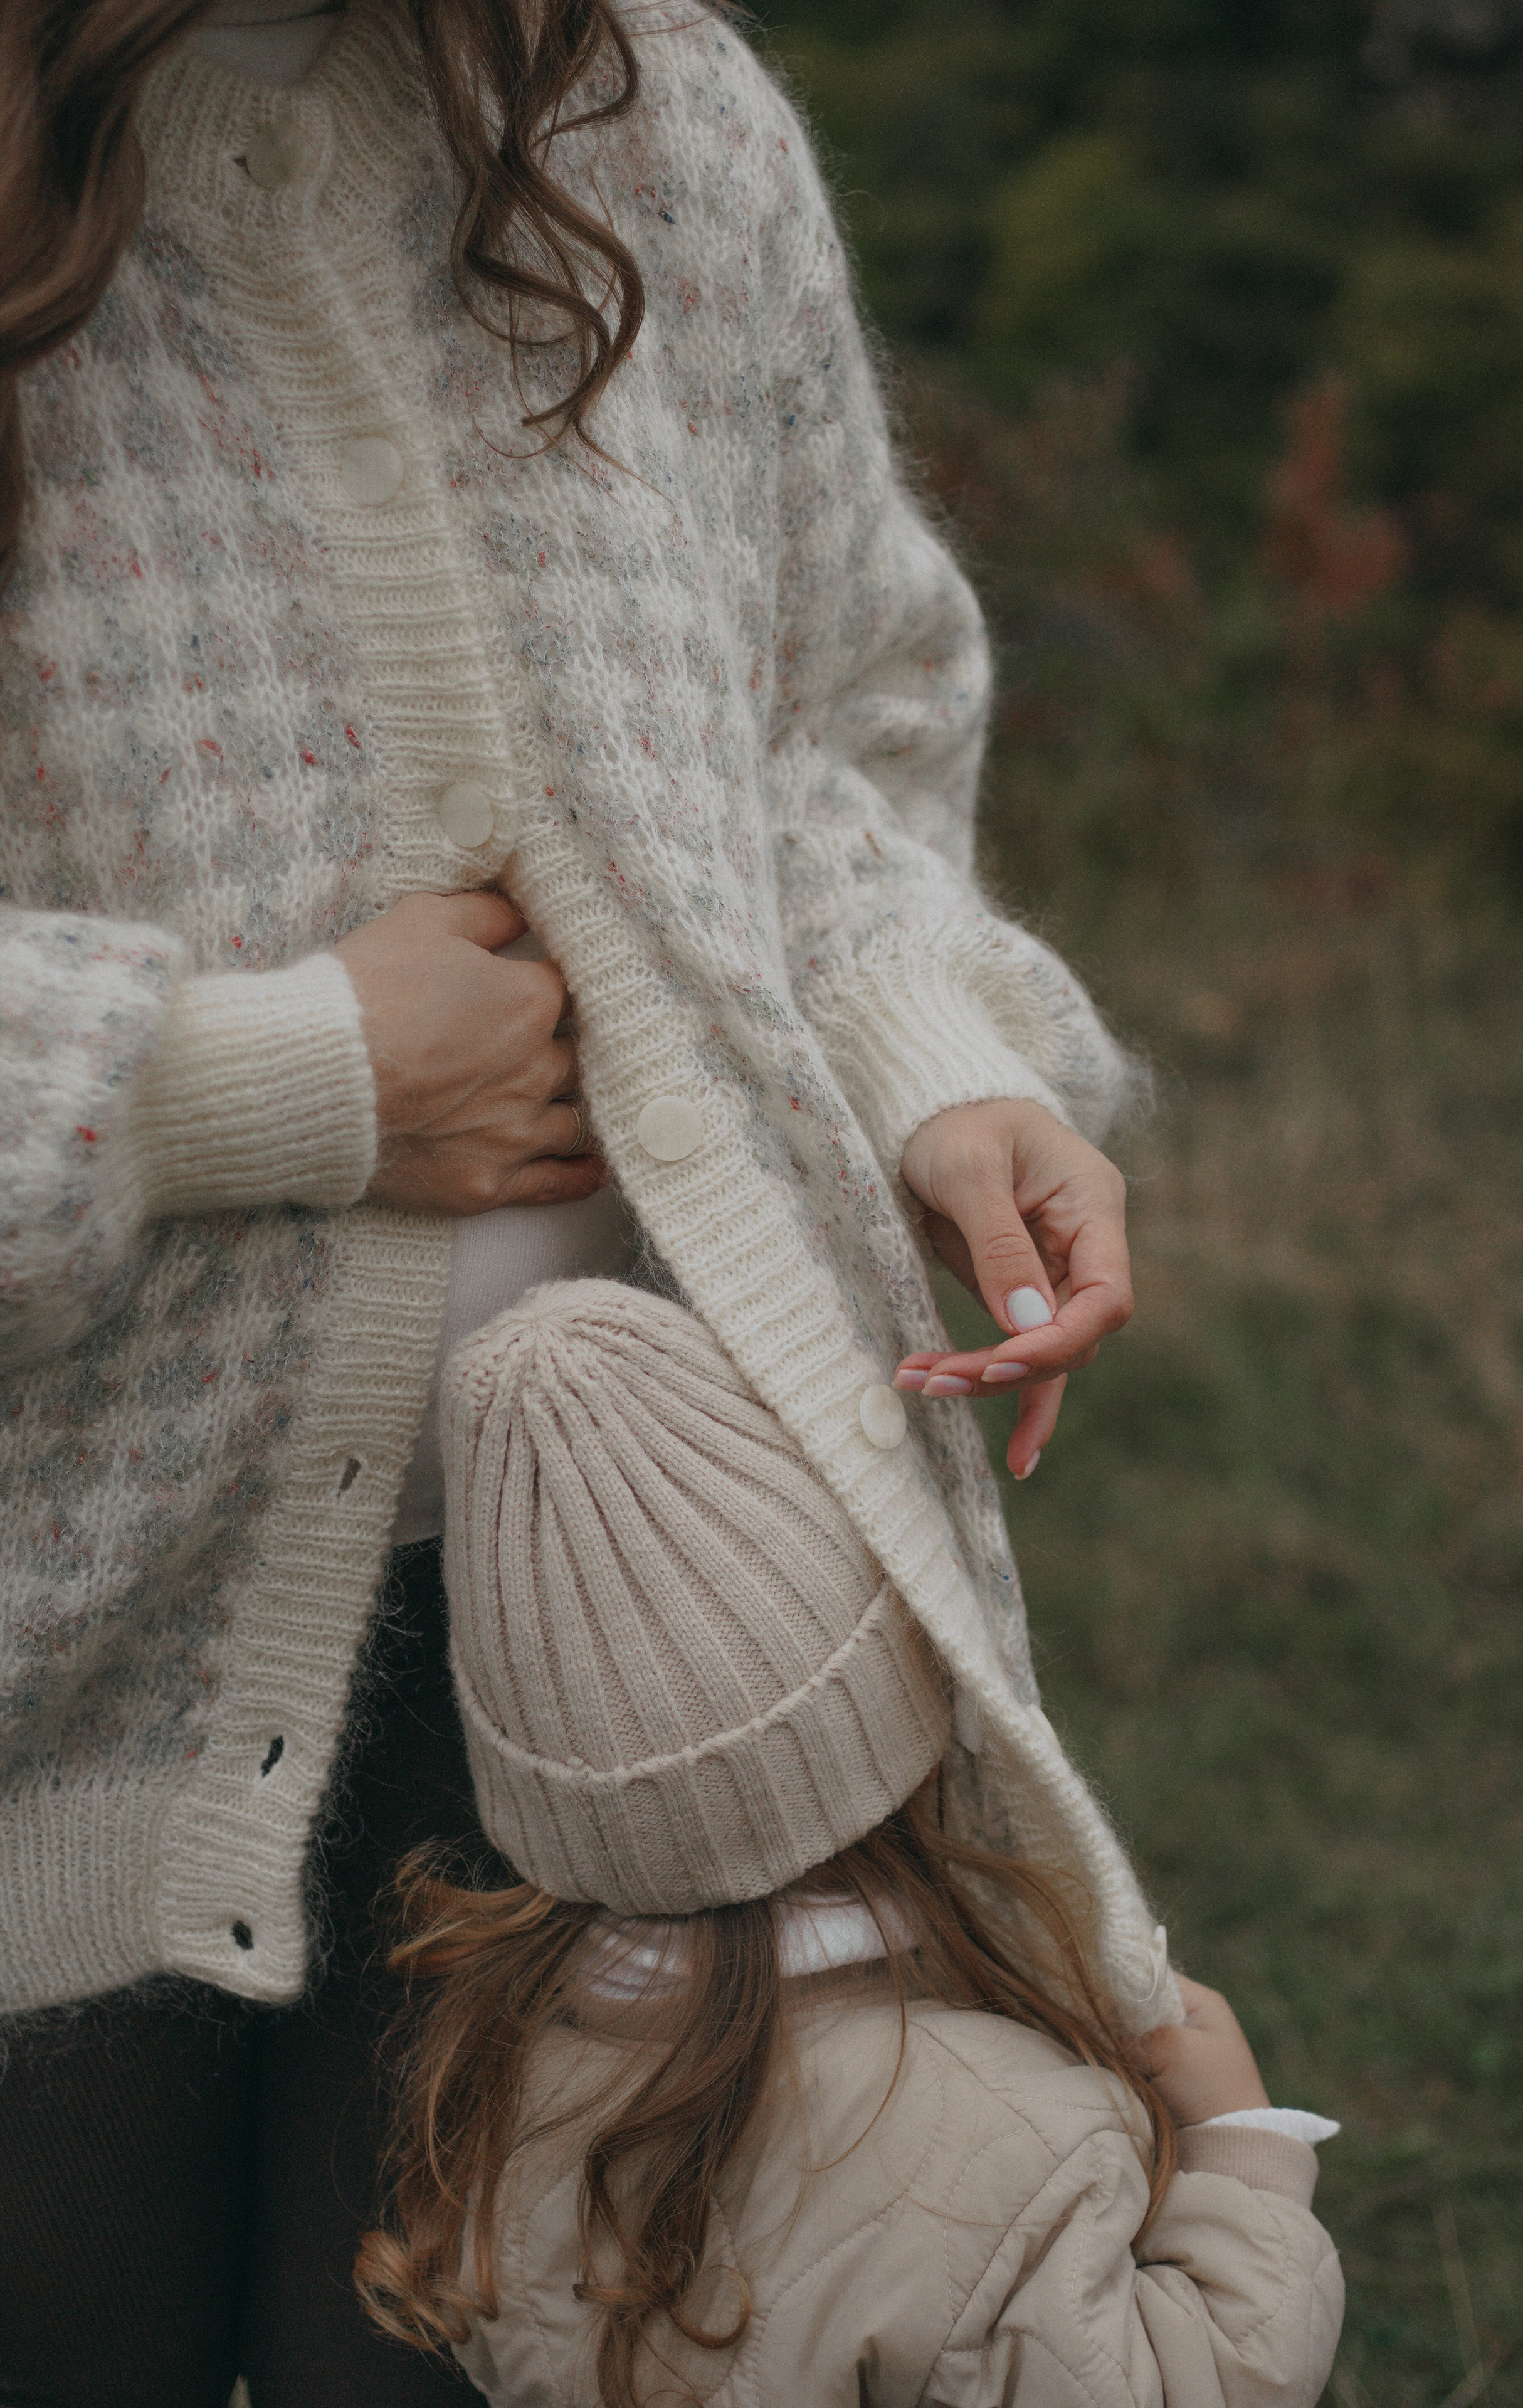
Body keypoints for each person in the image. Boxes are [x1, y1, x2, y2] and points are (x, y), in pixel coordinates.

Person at [4, 0, 1155, 2399]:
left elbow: (826, 711)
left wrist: (926, 1056)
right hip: (60, 1661)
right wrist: (255, 1081)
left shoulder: (655, 116)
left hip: (611, 1660)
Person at [356, 1281, 1345, 2408]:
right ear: (900, 1708)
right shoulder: (1013, 2134)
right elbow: (1198, 2386)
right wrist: (1240, 2144)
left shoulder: (505, 2104)